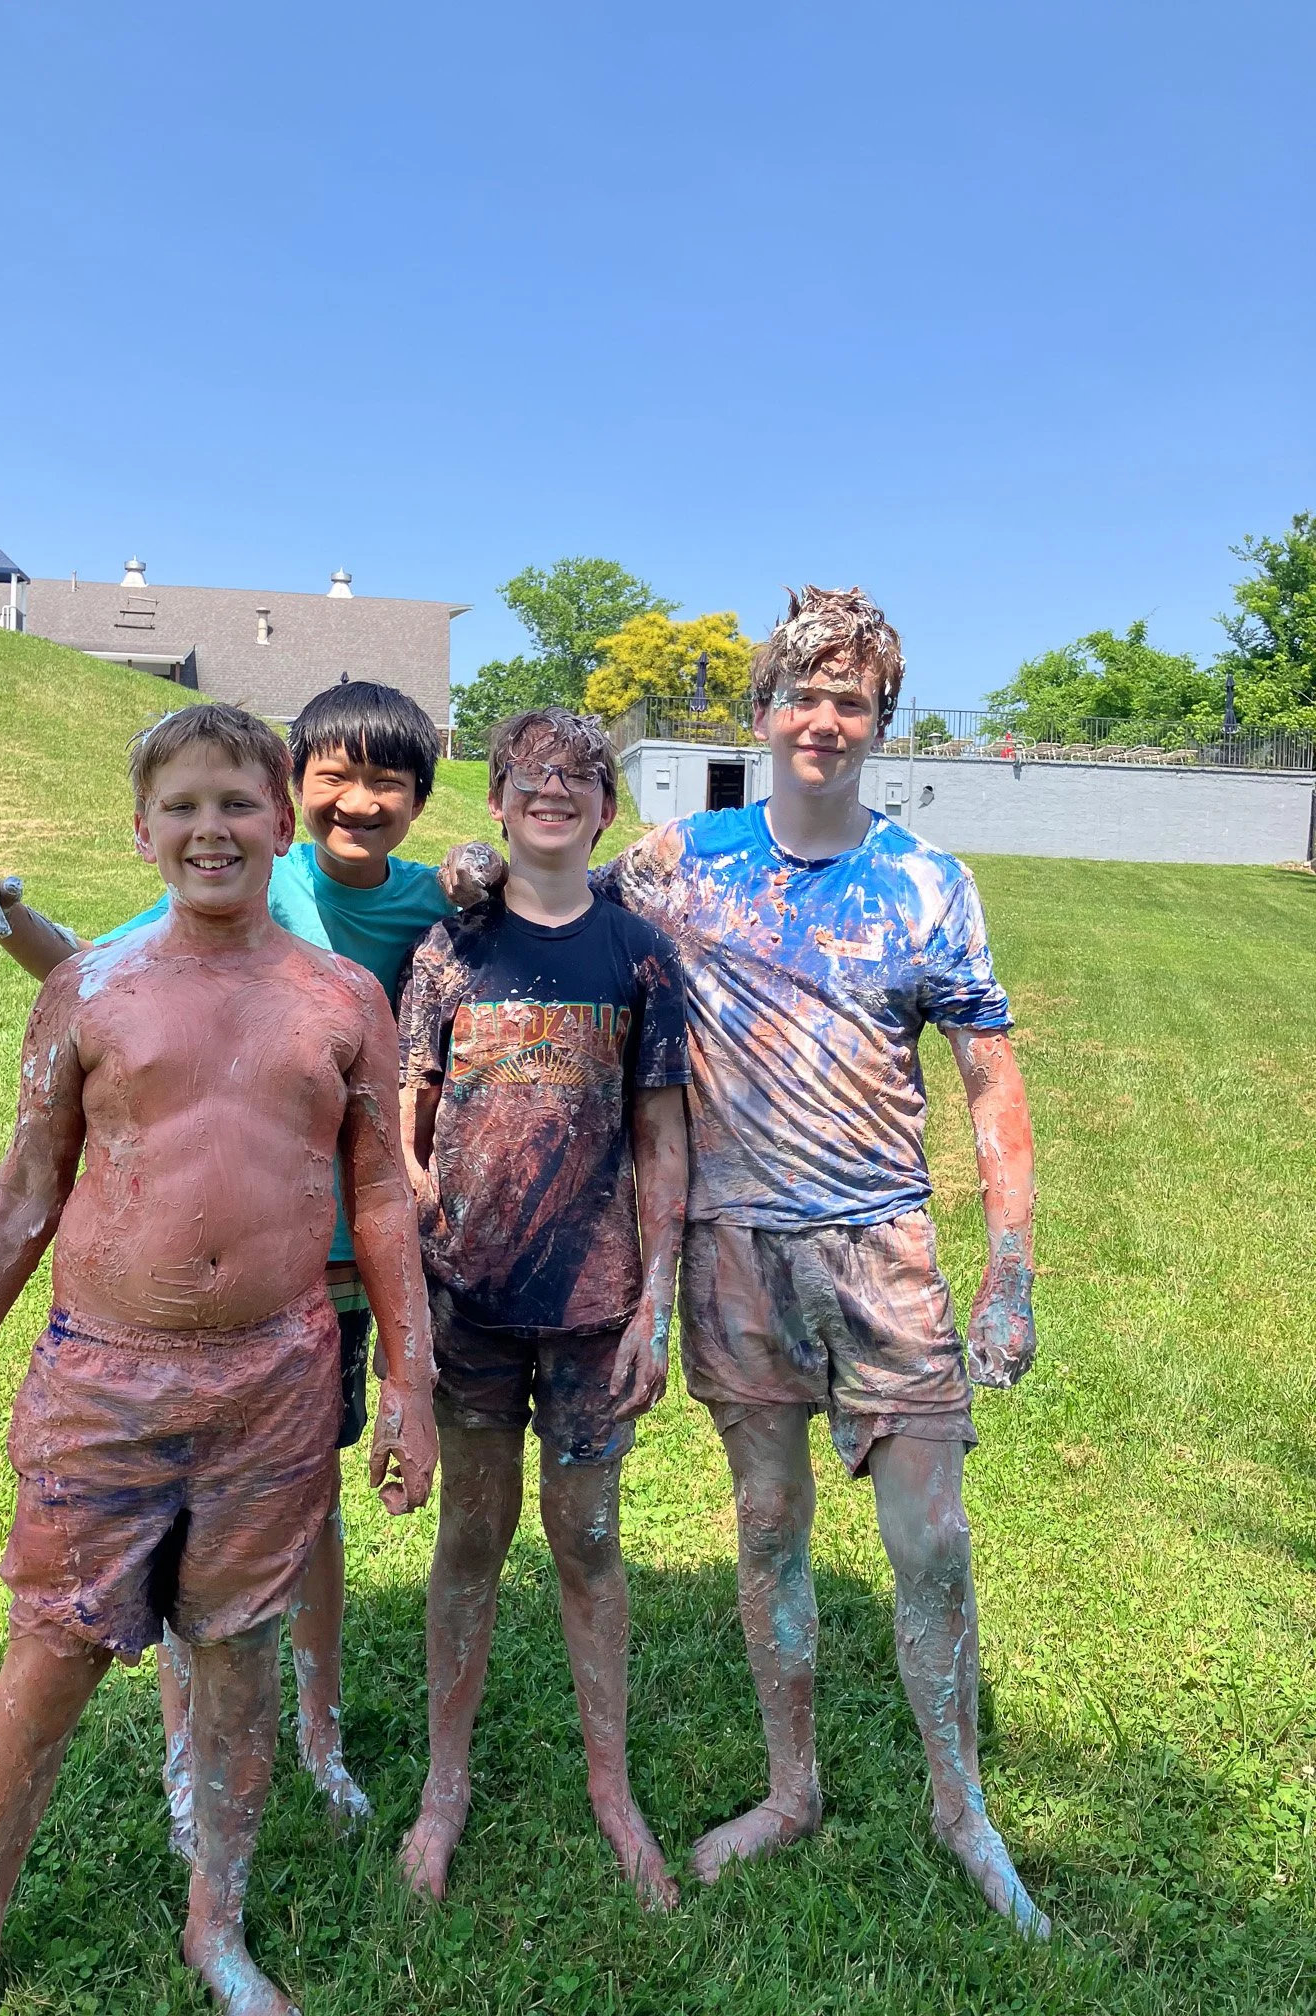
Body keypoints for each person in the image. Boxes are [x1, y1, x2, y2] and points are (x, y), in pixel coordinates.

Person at [0, 702, 438, 2016]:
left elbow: (376, 1198)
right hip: (106, 1379)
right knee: (53, 1656)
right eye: (183, 808)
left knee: (238, 1660)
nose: (212, 830)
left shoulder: (340, 999)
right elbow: (23, 1188)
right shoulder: (92, 993)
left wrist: (410, 1382)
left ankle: (218, 1922)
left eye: (238, 804)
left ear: (279, 820)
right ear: (144, 833)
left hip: (278, 1380)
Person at [590, 587, 1049, 1935]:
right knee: (770, 1523)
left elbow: (989, 1084)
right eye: (804, 692)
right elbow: (558, 907)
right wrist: (470, 882)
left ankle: (959, 1804)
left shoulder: (925, 881)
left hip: (879, 1248)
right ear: (760, 711)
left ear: (881, 723)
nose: (825, 718)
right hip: (733, 1250)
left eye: (852, 699)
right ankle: (792, 1787)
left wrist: (1007, 1268)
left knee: (934, 1542)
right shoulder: (678, 863)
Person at [397, 707, 690, 1910]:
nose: (553, 795)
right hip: (470, 1305)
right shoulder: (447, 952)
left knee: (590, 1540)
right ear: (500, 800)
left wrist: (655, 1301)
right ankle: (443, 1784)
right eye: (531, 778)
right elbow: (405, 1132)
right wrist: (422, 1262)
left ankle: (611, 1788)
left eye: (578, 781)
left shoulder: (638, 953)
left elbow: (662, 1135)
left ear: (605, 811)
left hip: (594, 1306)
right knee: (470, 1533)